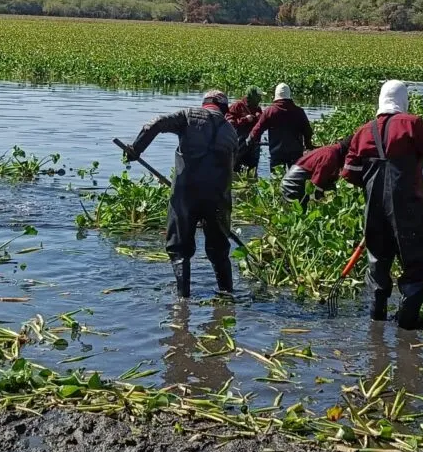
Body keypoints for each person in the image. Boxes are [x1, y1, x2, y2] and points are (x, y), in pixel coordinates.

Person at [341, 80, 423, 329]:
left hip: (374, 209)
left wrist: (374, 186)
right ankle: (407, 322)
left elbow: (349, 173)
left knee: (378, 262)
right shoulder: (412, 124)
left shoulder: (363, 131)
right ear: (403, 100)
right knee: (416, 262)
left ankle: (376, 318)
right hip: (408, 207)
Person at [123, 90, 239, 298]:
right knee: (219, 251)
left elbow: (156, 123)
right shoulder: (231, 132)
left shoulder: (188, 115)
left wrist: (135, 149)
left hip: (186, 194)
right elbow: (232, 168)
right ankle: (228, 295)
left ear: (205, 103)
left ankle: (182, 299)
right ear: (224, 109)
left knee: (179, 250)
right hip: (218, 198)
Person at [248, 83, 313, 171]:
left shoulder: (270, 111)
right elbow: (308, 131)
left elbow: (258, 128)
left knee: (276, 177)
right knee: (295, 178)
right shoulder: (299, 112)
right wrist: (308, 145)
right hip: (295, 153)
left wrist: (250, 138)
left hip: (277, 153)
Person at [280, 136, 351, 205]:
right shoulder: (330, 157)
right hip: (292, 185)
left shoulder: (334, 153)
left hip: (299, 181)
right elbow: (315, 187)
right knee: (307, 207)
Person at [226, 87, 263, 173]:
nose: (261, 99)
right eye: (259, 96)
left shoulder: (258, 108)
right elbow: (229, 123)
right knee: (235, 167)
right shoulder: (237, 106)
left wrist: (260, 118)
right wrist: (245, 119)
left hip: (254, 143)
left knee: (252, 170)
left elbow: (262, 125)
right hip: (239, 143)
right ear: (253, 96)